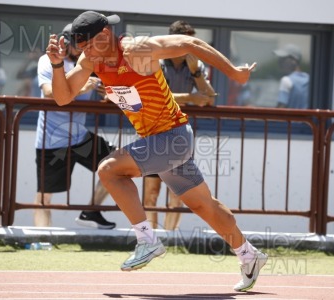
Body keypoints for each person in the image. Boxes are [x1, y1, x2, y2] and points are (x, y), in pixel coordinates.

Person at [46, 11, 268, 292]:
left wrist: (235, 73)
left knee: (108, 170)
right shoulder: (90, 60)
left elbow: (192, 45)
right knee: (204, 205)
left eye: (89, 46)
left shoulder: (138, 49)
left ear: (104, 36)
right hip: (159, 142)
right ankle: (249, 255)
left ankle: (146, 240)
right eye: (82, 49)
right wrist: (56, 66)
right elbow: (63, 98)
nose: (86, 53)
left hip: (173, 138)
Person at [34, 23, 116, 229]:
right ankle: (41, 238)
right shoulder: (48, 60)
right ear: (66, 44)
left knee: (117, 165)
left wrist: (108, 94)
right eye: (79, 44)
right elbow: (49, 93)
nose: (84, 48)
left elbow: (110, 84)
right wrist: (81, 88)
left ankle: (91, 211)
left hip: (80, 137)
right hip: (52, 140)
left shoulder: (90, 61)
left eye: (86, 44)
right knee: (45, 195)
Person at [144, 20, 217, 230]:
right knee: (151, 192)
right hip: (153, 133)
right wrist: (190, 98)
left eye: (193, 42)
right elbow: (154, 96)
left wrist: (196, 73)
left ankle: (169, 238)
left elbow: (210, 98)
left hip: (179, 136)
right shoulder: (155, 60)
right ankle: (151, 239)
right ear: (175, 41)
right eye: (187, 41)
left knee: (178, 193)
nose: (191, 46)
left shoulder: (195, 64)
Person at [274, 44, 309, 109]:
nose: (279, 61)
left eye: (283, 59)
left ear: (294, 60)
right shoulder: (309, 78)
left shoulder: (286, 80)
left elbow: (280, 109)